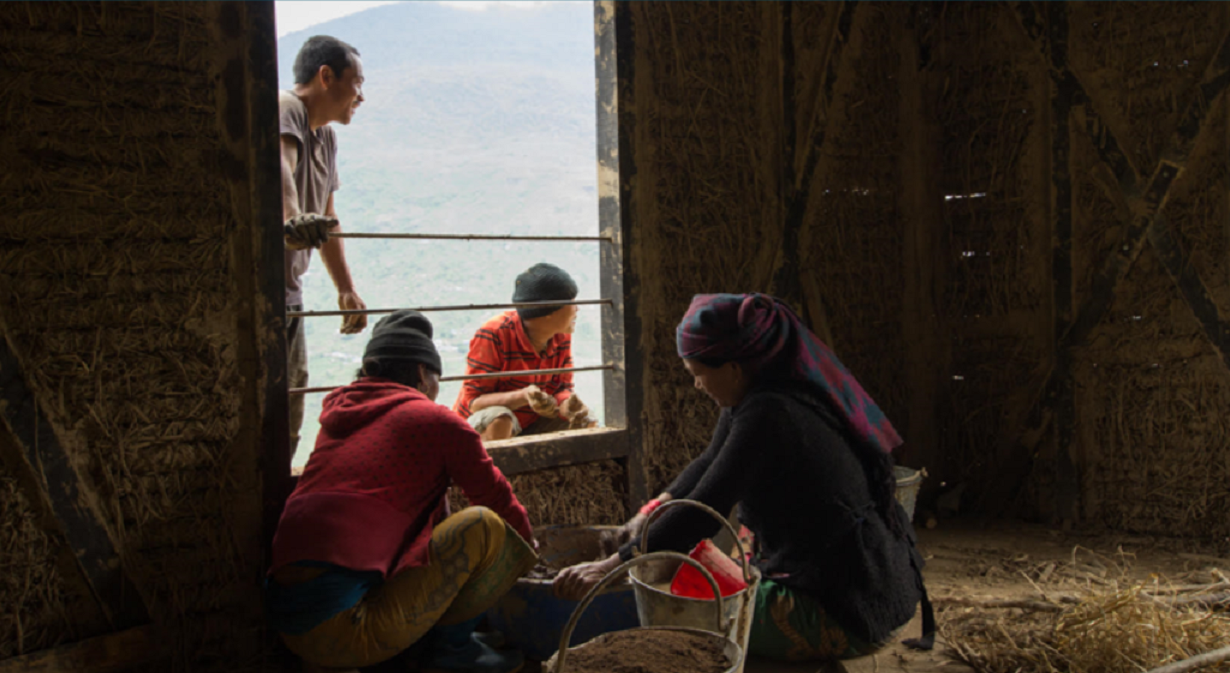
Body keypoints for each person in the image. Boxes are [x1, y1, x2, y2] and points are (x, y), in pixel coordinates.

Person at [553, 293, 934, 661]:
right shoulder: (764, 388)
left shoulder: (770, 414)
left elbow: (703, 512)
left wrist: (611, 565)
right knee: (676, 564)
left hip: (846, 611)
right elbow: (708, 463)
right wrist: (647, 513)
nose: (697, 385)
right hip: (862, 584)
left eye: (699, 375)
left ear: (733, 368)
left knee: (666, 613)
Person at [267, 310, 537, 673]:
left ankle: (434, 643)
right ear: (424, 375)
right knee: (483, 525)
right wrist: (529, 551)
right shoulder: (436, 421)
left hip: (290, 629)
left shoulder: (340, 415)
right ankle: (451, 654)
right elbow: (495, 497)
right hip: (347, 634)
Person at [281, 35, 370, 459]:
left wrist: (345, 288)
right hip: (264, 290)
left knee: (290, 401)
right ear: (326, 76)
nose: (361, 96)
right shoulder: (286, 110)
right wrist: (291, 221)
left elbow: (328, 219)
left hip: (289, 289)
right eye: (357, 82)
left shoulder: (327, 138)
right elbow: (280, 170)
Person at [453, 263, 595, 442]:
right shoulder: (494, 333)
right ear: (548, 311)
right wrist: (524, 396)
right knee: (500, 419)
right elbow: (475, 403)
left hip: (529, 423)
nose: (577, 309)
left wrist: (568, 405)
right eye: (572, 302)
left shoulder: (561, 335)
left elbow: (561, 389)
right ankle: (495, 469)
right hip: (478, 430)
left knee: (586, 420)